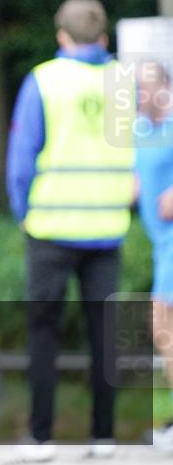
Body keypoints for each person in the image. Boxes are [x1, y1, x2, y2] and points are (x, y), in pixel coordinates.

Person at [5, 0, 136, 462]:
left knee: (44, 332)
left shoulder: (44, 79)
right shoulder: (123, 82)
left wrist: (23, 211)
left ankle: (42, 437)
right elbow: (132, 150)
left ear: (62, 35)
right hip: (107, 227)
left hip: (52, 227)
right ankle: (103, 437)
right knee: (105, 334)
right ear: (103, 38)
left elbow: (22, 156)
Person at [134, 62, 173, 450]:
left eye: (148, 86)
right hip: (160, 245)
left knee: (162, 325)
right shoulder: (140, 133)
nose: (141, 94)